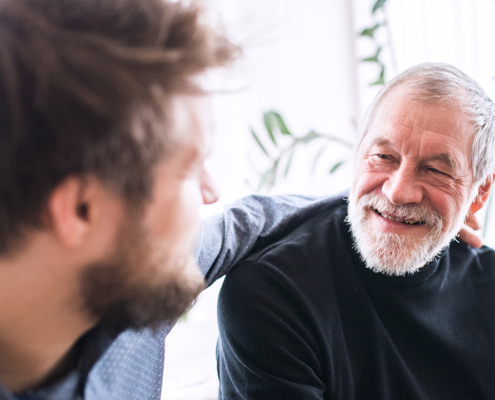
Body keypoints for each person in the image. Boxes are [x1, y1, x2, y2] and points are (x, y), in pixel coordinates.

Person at [0, 1, 484, 399]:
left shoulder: (122, 309)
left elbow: (241, 224)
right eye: (190, 169)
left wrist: (412, 210)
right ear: (80, 211)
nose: (211, 192)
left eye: (436, 168)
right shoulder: (167, 305)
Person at [217, 63, 495, 400]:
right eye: (383, 156)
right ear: (357, 154)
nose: (397, 192)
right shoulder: (272, 294)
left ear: (478, 194)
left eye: (435, 170)